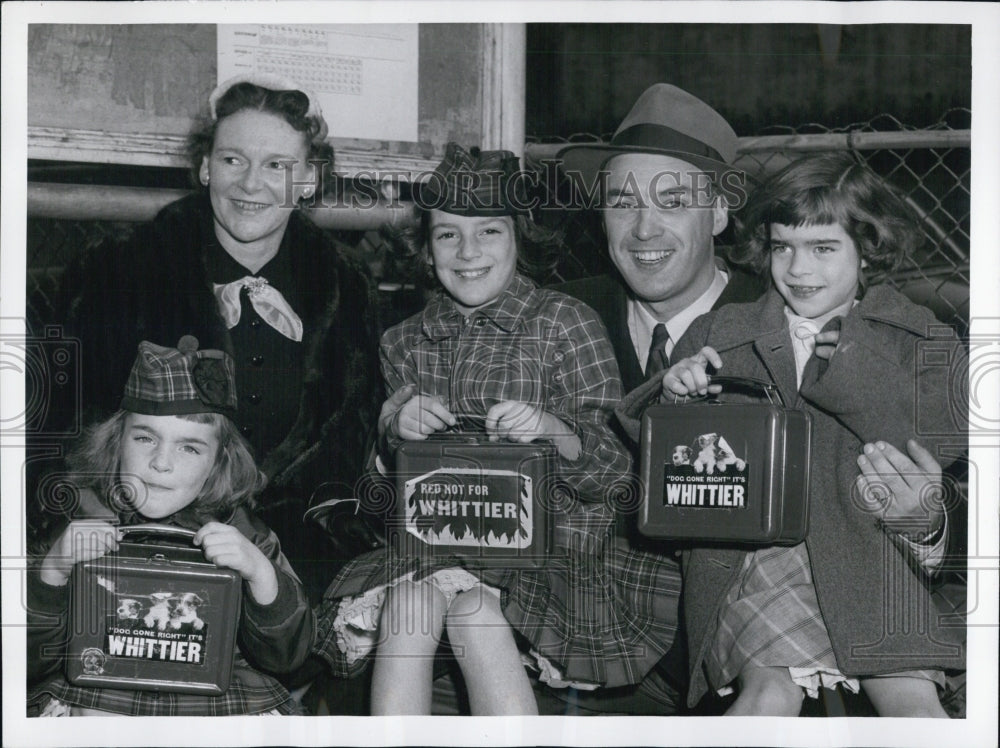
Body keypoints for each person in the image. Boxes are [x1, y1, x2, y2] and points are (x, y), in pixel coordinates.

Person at [554, 83, 953, 716]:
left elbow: (945, 450)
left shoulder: (881, 331)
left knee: (910, 701)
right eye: (621, 200)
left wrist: (929, 524)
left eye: (674, 199)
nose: (643, 226)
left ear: (718, 216)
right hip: (601, 627)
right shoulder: (561, 317)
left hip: (851, 568)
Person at [311, 143, 683, 715]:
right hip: (439, 545)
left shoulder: (563, 323)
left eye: (489, 232)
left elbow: (617, 474)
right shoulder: (403, 340)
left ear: (520, 239)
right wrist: (392, 434)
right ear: (425, 247)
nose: (467, 253)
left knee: (474, 614)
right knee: (408, 611)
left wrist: (551, 427)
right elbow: (384, 497)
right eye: (447, 235)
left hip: (553, 553)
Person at [42, 74, 383, 602]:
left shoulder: (349, 291)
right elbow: (69, 437)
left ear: (310, 180)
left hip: (298, 574)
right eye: (232, 160)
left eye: (277, 165)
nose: (251, 184)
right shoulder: (118, 270)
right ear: (205, 167)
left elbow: (349, 459)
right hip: (138, 563)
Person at [27, 336, 314, 716]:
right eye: (145, 437)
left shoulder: (245, 534)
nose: (161, 462)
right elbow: (26, 660)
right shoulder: (79, 522)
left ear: (219, 462)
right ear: (115, 441)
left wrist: (262, 575)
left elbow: (289, 657)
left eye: (189, 447)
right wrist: (52, 572)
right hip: (100, 691)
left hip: (215, 700)